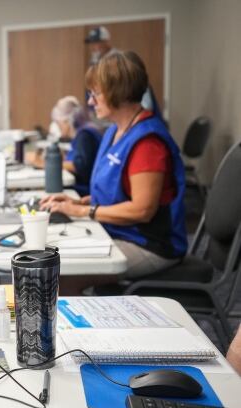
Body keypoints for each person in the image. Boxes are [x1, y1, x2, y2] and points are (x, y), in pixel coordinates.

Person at [41, 51, 187, 279]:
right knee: (53, 257)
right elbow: (117, 193)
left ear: (118, 92)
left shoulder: (147, 142)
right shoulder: (113, 132)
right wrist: (77, 201)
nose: (90, 102)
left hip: (148, 244)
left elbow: (142, 210)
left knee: (63, 273)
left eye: (96, 94)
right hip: (118, 231)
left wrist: (82, 211)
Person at [28, 96, 101, 196]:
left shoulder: (84, 136)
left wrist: (42, 163)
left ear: (67, 121)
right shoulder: (82, 134)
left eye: (59, 123)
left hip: (84, 191)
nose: (58, 127)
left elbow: (79, 167)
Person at [84, 27, 160, 115]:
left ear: (106, 41)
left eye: (97, 42)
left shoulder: (121, 62)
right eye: (92, 43)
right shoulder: (94, 61)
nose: (94, 46)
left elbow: (144, 103)